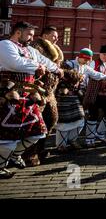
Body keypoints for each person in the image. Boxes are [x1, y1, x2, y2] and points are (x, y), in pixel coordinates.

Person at [0, 22, 62, 179]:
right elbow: (15, 63)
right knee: (7, 138)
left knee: (38, 132)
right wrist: (37, 66)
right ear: (18, 33)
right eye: (29, 34)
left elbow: (45, 62)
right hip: (9, 96)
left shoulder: (29, 50)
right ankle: (1, 165)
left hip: (28, 97)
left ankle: (15, 156)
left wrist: (58, 70)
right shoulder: (5, 44)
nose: (32, 38)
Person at [23, 26, 65, 166]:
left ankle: (40, 148)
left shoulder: (55, 51)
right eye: (54, 36)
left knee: (51, 120)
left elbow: (55, 68)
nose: (57, 39)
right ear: (45, 36)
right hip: (38, 91)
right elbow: (38, 64)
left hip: (50, 92)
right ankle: (28, 153)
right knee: (34, 122)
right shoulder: (37, 47)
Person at [55, 48, 106, 152]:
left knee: (80, 119)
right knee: (64, 121)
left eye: (89, 60)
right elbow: (59, 77)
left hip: (77, 97)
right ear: (80, 57)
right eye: (86, 59)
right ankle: (61, 145)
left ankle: (72, 140)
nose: (87, 62)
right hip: (64, 97)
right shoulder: (68, 64)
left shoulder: (85, 67)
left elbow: (95, 74)